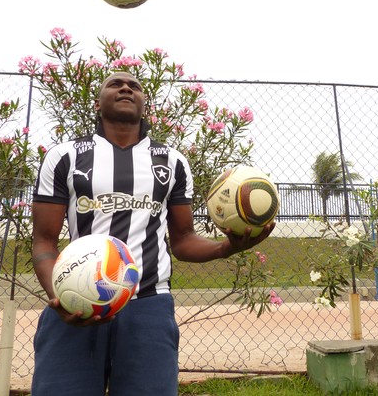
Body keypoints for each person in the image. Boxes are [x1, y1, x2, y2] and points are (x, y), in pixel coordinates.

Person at [30, 71, 273, 396]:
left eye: (135, 86)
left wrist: (225, 248)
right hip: (78, 303)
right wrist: (60, 299)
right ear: (98, 102)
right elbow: (43, 242)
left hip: (148, 304)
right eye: (115, 84)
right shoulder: (65, 157)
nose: (127, 87)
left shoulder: (172, 163)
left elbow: (183, 240)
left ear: (145, 104)